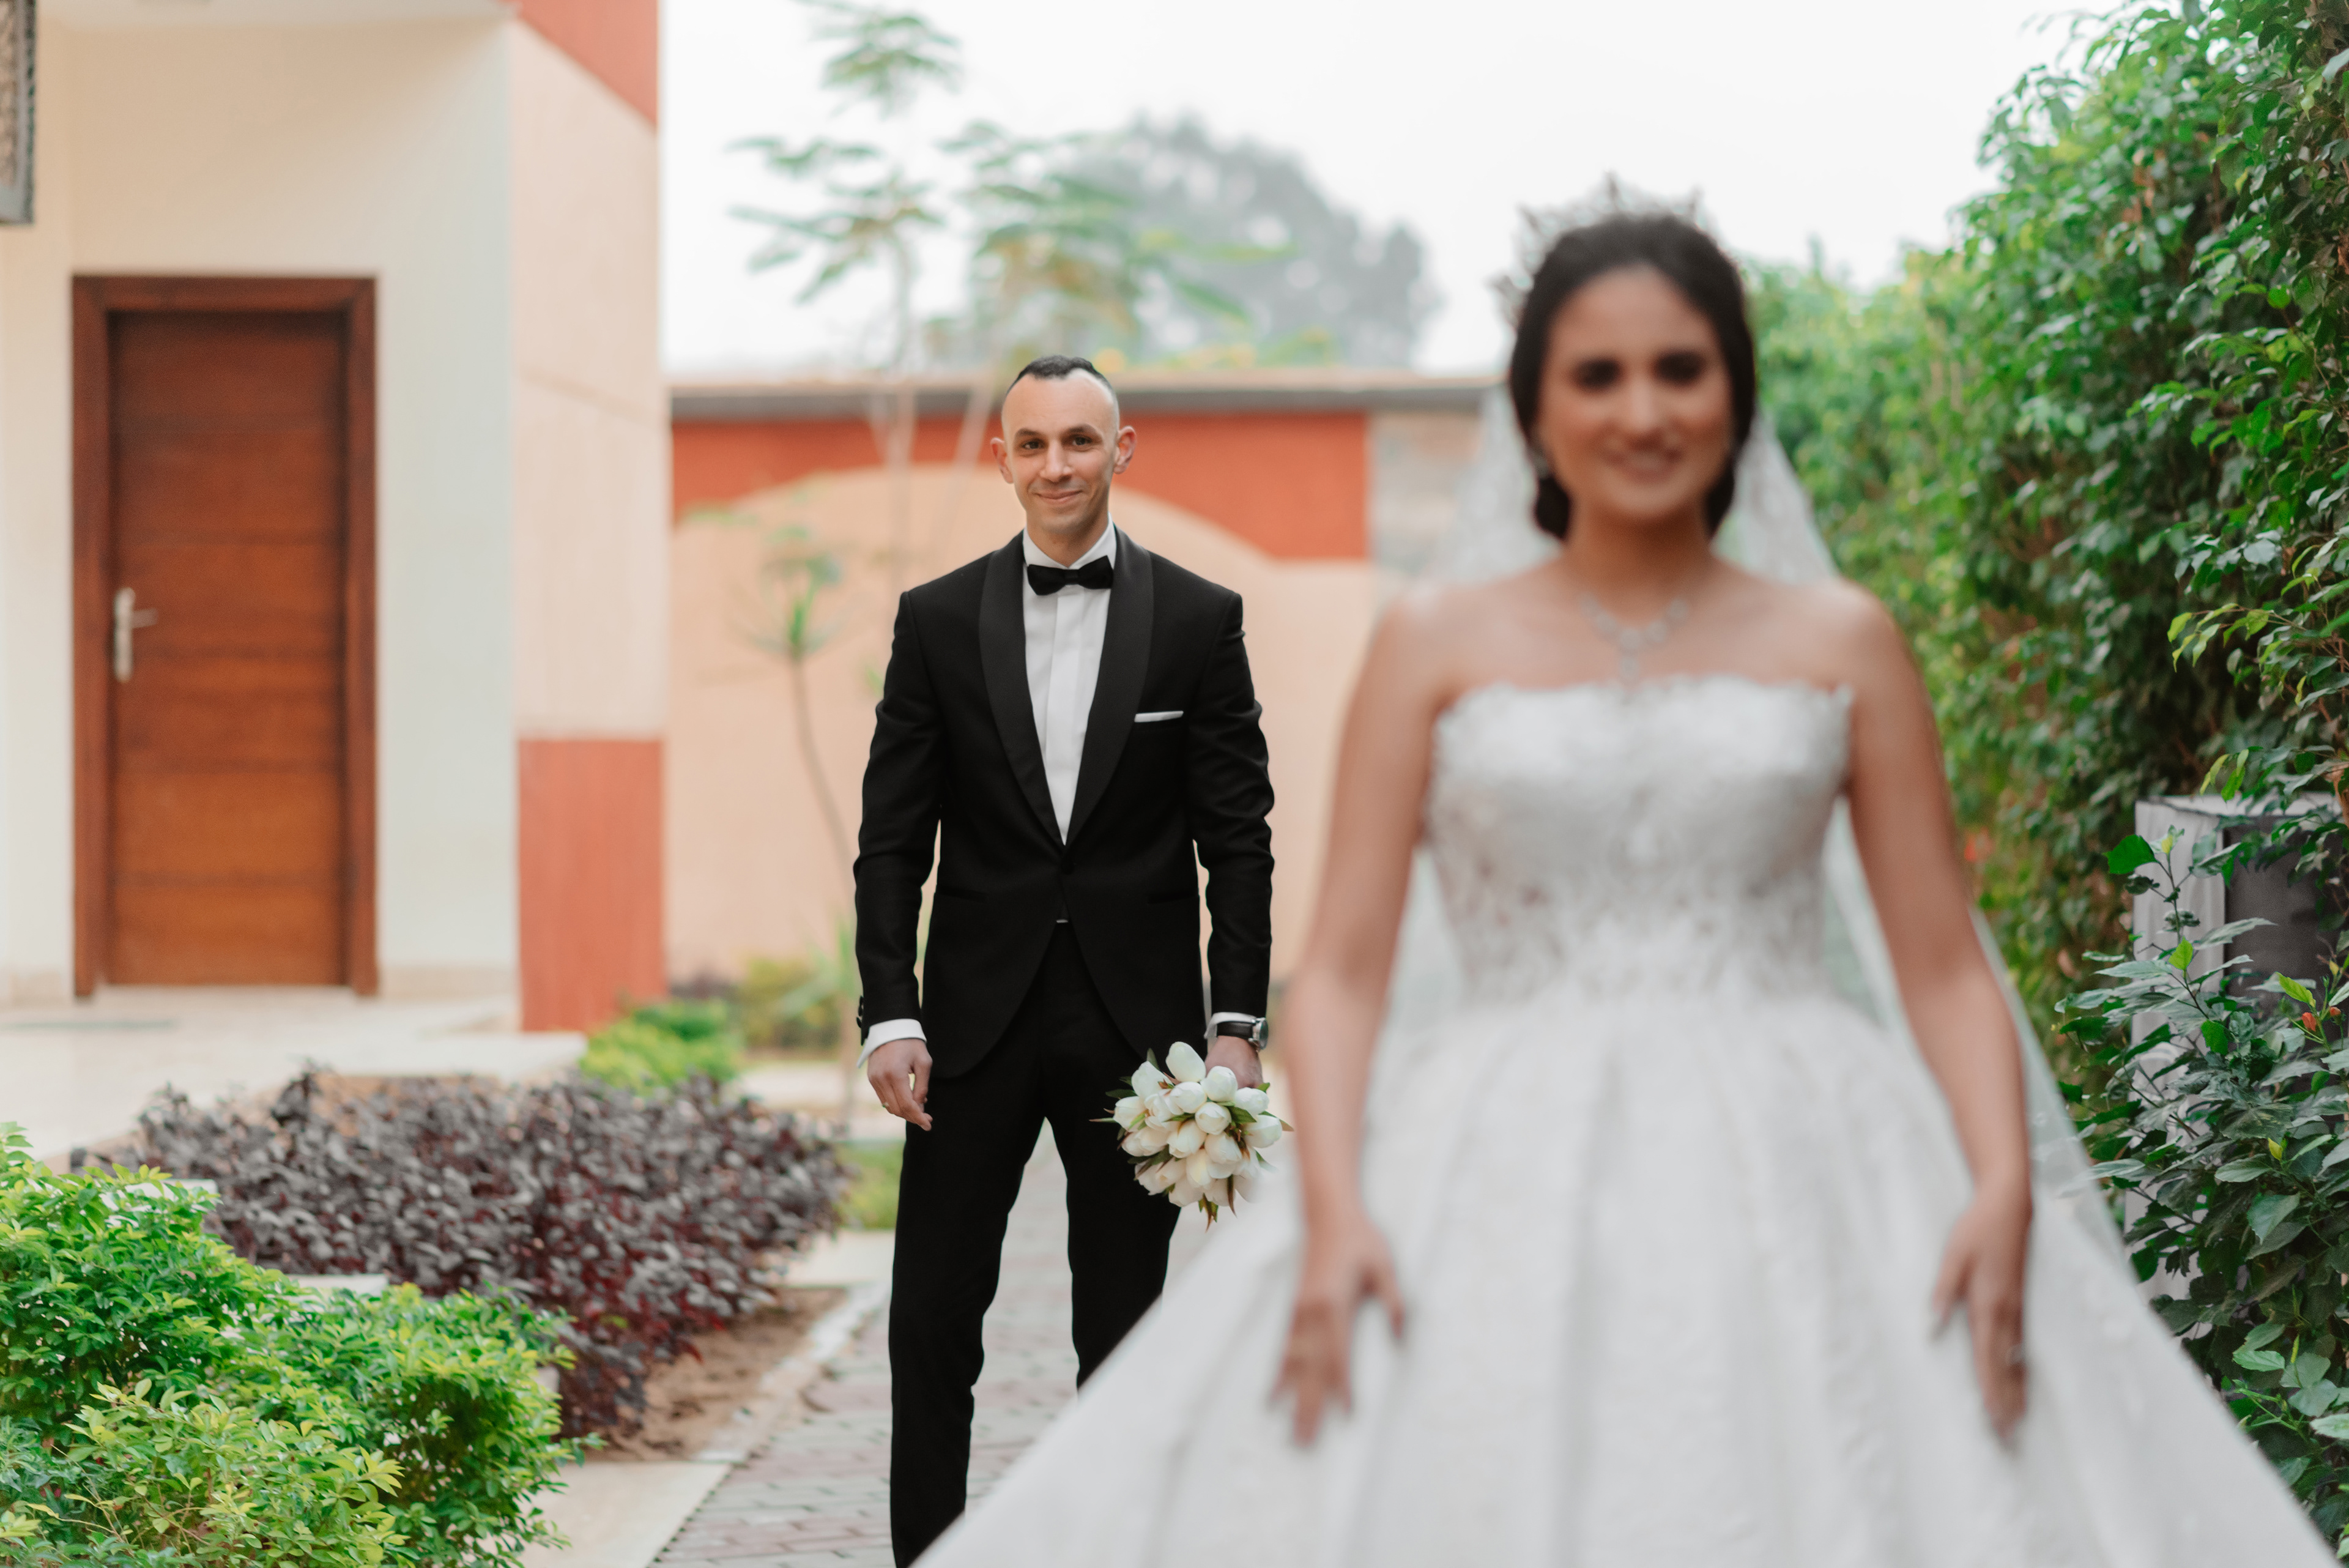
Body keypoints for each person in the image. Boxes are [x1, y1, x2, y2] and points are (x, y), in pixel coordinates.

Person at [909, 216, 2336, 1565]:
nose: (1641, 410)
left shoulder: (1843, 640)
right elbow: (1340, 975)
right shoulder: (1432, 644)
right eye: (1598, 373)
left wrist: (2005, 1180)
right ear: (1535, 409)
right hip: (1494, 1151)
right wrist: (1335, 1207)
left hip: (1810, 1151)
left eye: (1681, 368)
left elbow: (1944, 965)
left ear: (1734, 395)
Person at [852, 354, 1276, 1566]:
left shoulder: (1201, 620)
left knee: (1126, 1335)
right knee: (930, 1328)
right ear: (1003, 458)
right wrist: (892, 1014)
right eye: (1032, 443)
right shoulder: (935, 621)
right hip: (967, 1035)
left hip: (1137, 1040)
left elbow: (1237, 841)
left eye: (1080, 442)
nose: (1056, 466)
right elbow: (893, 842)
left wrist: (1236, 1026)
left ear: (1122, 450)